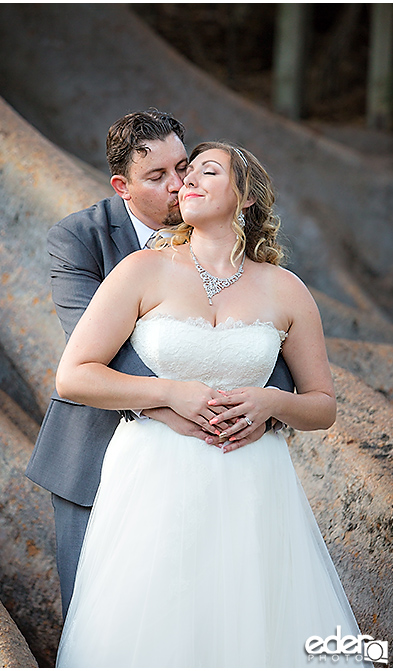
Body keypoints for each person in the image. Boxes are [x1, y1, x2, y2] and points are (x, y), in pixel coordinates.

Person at [53, 141, 366, 666]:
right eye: (185, 174)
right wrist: (169, 391)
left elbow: (322, 406)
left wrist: (270, 401)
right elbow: (74, 376)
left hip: (252, 481)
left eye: (207, 171)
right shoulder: (140, 270)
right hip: (152, 474)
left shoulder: (286, 289)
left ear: (245, 197)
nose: (186, 182)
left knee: (251, 621)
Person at [26, 109, 293, 617]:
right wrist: (175, 400)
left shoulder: (234, 250)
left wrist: (263, 410)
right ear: (122, 186)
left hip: (223, 458)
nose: (178, 185)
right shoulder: (79, 238)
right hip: (95, 457)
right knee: (103, 617)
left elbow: (257, 337)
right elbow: (99, 349)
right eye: (157, 177)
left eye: (183, 167)